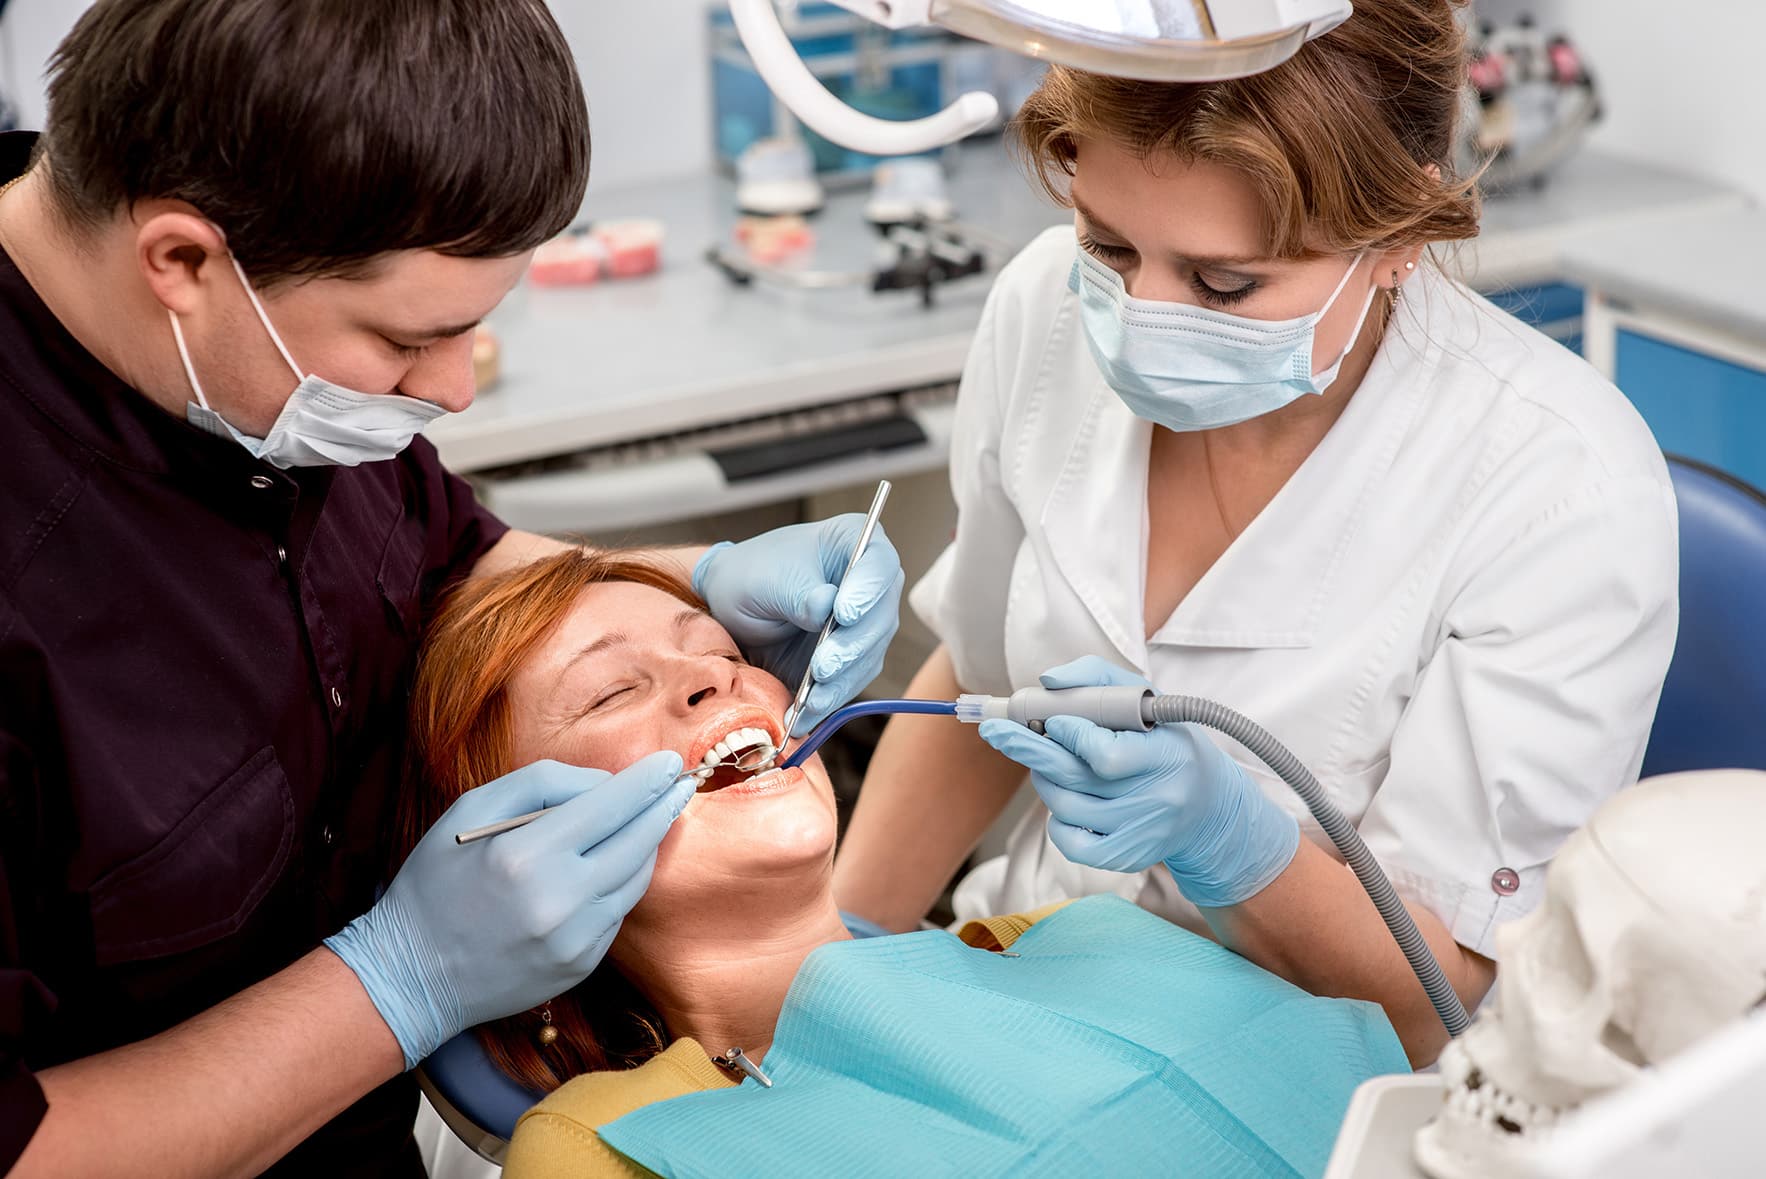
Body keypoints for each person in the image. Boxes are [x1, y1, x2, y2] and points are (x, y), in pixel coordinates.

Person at [0, 2, 901, 1175]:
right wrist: (395, 984)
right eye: (404, 341)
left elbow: (443, 557)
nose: (451, 392)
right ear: (180, 261)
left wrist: (708, 579)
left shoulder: (255, 366)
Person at [833, 0, 1679, 1067]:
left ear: (1399, 235)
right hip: (1021, 985)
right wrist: (832, 960)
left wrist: (1232, 844)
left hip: (1301, 1084)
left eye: (1221, 283)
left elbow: (1449, 1001)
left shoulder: (1558, 483)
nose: (1139, 313)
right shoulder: (1042, 307)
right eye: (1107, 244)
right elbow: (985, 681)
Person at [397, 550, 1408, 1178]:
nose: (709, 676)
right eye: (613, 692)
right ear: (511, 847)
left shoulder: (1084, 935)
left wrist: (1228, 835)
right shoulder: (606, 1143)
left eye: (710, 645)